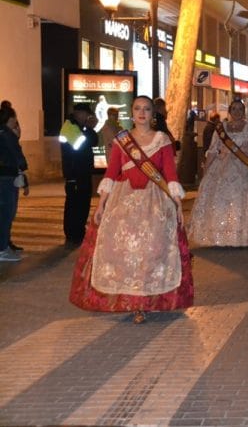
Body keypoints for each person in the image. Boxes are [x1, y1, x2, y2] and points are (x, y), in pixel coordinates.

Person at [69, 96, 193, 324]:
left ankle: (147, 302)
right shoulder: (121, 141)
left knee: (152, 252)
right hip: (124, 201)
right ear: (132, 113)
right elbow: (112, 172)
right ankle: (133, 302)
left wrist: (177, 204)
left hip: (155, 202)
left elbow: (170, 174)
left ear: (152, 113)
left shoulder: (162, 139)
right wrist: (102, 202)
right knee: (127, 252)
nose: (142, 113)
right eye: (137, 109)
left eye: (146, 109)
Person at [188, 100, 248, 247]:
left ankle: (244, 235)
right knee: (222, 201)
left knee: (243, 200)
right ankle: (222, 235)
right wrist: (206, 169)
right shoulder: (221, 128)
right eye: (234, 109)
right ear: (229, 111)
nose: (237, 111)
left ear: (244, 111)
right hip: (222, 167)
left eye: (240, 109)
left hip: (246, 167)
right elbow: (213, 150)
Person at [60, 103, 98, 248]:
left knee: (82, 204)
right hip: (75, 174)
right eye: (86, 115)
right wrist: (89, 128)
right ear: (79, 113)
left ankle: (78, 231)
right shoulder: (70, 127)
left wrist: (88, 128)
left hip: (83, 172)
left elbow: (93, 141)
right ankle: (73, 234)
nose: (87, 118)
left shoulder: (79, 127)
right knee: (75, 205)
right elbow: (83, 146)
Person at [0, 106, 28, 262]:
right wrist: (23, 168)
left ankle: (4, 246)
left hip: (4, 176)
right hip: (6, 177)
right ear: (10, 119)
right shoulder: (6, 134)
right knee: (6, 213)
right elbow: (16, 154)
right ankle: (2, 249)